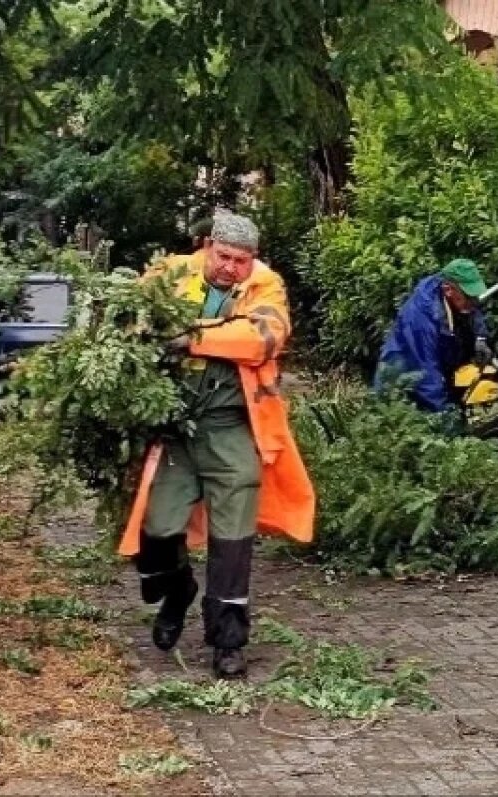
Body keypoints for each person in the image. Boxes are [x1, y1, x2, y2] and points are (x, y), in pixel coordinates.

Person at [118, 213, 315, 679]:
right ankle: (177, 591)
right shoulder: (167, 274)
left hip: (233, 429)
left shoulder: (267, 287)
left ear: (254, 260)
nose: (231, 268)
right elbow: (134, 322)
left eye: (241, 261)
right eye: (224, 257)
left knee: (233, 545)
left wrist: (189, 338)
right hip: (175, 430)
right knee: (157, 529)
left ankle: (228, 642)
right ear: (208, 247)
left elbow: (263, 338)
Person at [374, 258, 493, 416]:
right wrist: (446, 416)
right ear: (448, 290)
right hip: (401, 380)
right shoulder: (420, 319)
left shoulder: (453, 294)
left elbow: (473, 310)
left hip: (437, 369)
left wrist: (481, 338)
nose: (473, 302)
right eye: (468, 296)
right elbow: (426, 373)